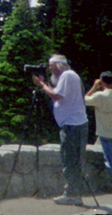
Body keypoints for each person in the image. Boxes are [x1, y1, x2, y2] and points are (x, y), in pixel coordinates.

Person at [34, 54, 87, 205]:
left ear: (58, 65)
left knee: (69, 160)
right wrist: (45, 84)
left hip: (72, 125)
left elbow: (56, 96)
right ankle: (74, 193)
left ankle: (71, 194)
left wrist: (41, 85)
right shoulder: (73, 76)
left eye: (51, 65)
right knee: (74, 160)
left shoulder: (66, 76)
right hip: (77, 123)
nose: (49, 68)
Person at [85, 71, 112, 193]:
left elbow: (84, 100)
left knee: (110, 161)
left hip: (105, 132)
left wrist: (94, 87)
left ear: (101, 82)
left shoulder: (100, 96)